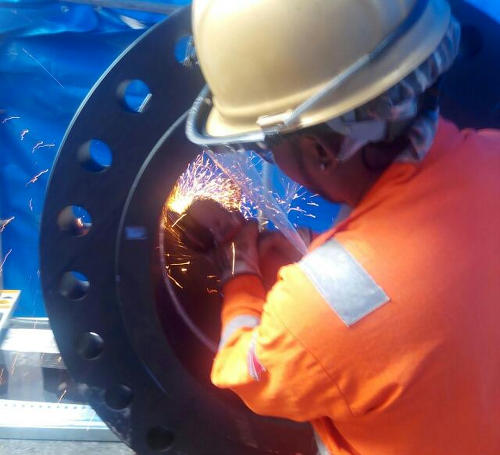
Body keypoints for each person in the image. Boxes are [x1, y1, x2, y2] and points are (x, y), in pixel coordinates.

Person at [185, 0, 500, 453]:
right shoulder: (490, 155)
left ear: (320, 150)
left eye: (268, 149)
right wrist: (303, 249)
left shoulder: (313, 317)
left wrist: (239, 270)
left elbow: (244, 371)